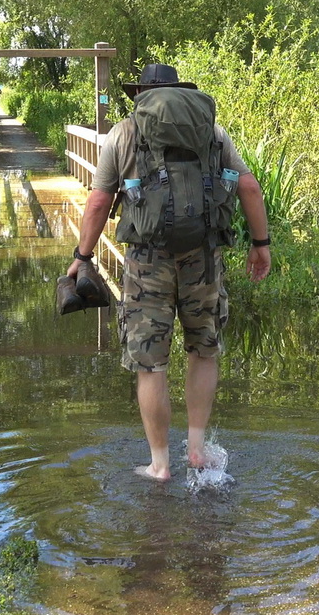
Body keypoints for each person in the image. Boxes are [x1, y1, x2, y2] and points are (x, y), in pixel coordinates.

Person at [66, 63, 272, 481]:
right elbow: (249, 187)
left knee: (151, 363)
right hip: (205, 257)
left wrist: (82, 255)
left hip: (148, 261)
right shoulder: (212, 132)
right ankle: (196, 450)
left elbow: (99, 202)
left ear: (140, 93)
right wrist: (260, 245)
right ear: (181, 91)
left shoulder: (125, 132)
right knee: (203, 349)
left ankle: (160, 464)